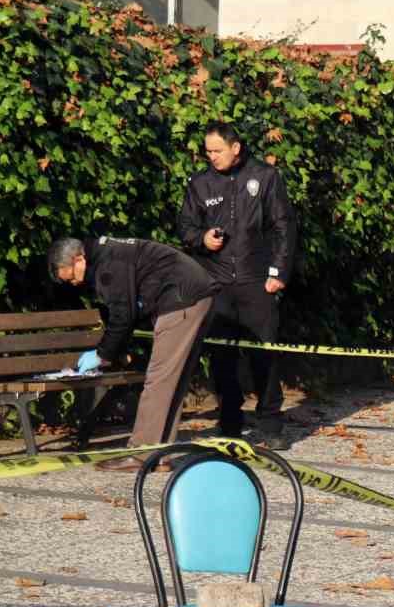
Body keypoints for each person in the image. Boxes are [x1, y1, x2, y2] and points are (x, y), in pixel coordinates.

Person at [176, 121, 298, 447]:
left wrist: (277, 273)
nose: (212, 157)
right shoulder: (200, 184)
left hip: (256, 281)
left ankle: (271, 425)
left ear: (236, 148)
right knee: (221, 357)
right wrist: (202, 239)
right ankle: (229, 421)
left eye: (217, 151)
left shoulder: (266, 178)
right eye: (208, 152)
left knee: (264, 354)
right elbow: (185, 228)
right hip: (216, 283)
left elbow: (283, 228)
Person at [48, 236, 215, 471]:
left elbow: (122, 316)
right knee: (172, 381)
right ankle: (160, 456)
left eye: (73, 277)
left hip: (180, 299)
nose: (75, 283)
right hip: (196, 293)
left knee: (158, 380)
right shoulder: (108, 253)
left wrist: (102, 354)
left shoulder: (107, 267)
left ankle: (140, 454)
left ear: (79, 259)